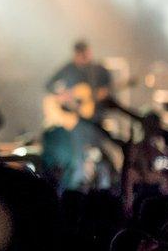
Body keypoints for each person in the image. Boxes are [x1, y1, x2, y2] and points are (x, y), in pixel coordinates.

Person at [44, 40, 115, 190]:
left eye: (85, 53)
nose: (82, 56)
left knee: (101, 156)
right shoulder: (68, 69)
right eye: (79, 53)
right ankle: (75, 190)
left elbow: (109, 89)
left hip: (96, 121)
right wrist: (63, 94)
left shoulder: (98, 70)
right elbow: (49, 85)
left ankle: (104, 189)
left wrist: (104, 93)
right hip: (76, 122)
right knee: (77, 157)